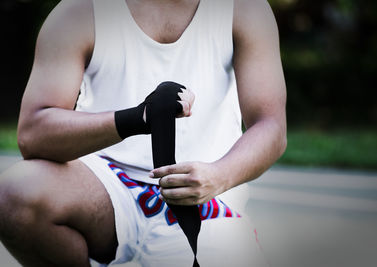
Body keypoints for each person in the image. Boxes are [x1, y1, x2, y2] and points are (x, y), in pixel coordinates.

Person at [0, 0, 287, 266]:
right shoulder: (80, 11)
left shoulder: (244, 9)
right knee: (15, 194)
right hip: (108, 188)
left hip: (207, 198)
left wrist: (218, 176)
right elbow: (34, 133)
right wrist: (136, 118)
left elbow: (271, 127)